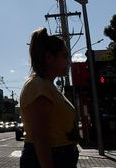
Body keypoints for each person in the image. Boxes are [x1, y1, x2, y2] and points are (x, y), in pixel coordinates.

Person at [19, 28, 79, 168]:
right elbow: (40, 136)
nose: (68, 62)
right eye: (64, 56)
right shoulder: (39, 86)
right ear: (49, 57)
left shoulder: (48, 85)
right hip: (50, 158)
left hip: (61, 156)